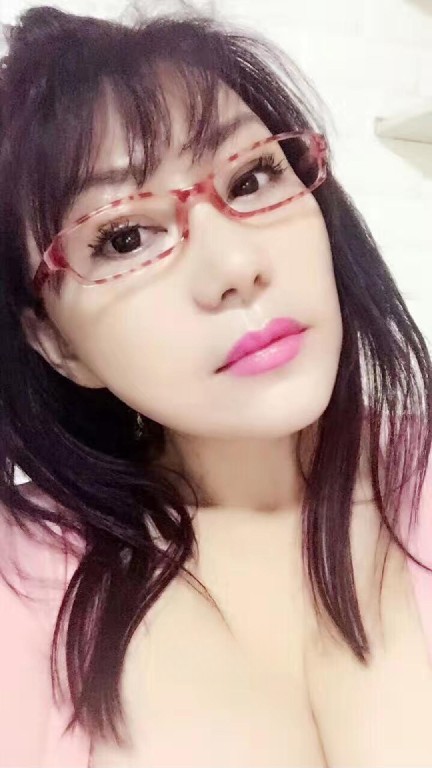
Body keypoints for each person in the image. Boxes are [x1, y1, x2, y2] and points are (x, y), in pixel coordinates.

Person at [1, 4, 432, 767]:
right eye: (124, 237)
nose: (237, 266)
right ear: (58, 344)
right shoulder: (20, 584)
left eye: (253, 175)